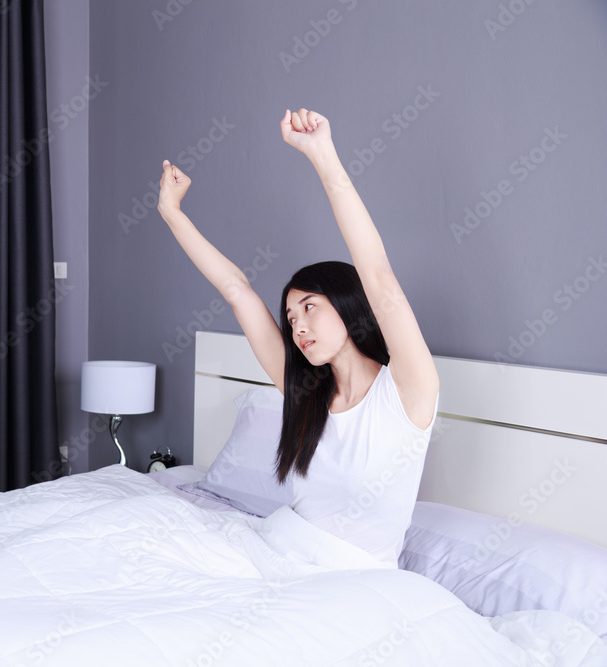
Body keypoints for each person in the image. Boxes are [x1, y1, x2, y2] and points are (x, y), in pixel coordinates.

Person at [156, 108, 440, 568]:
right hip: (279, 552)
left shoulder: (408, 392)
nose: (298, 326)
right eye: (290, 317)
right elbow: (236, 289)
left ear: (351, 305)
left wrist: (322, 155)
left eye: (310, 307)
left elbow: (379, 276)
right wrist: (172, 214)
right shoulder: (305, 391)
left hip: (352, 581)